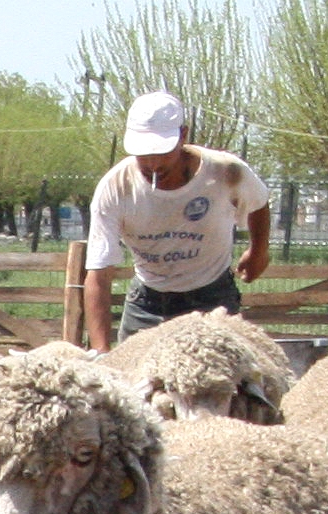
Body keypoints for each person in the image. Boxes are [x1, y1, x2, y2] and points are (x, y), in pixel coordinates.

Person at [81, 91, 273, 351]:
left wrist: (258, 251)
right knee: (130, 382)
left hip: (211, 299)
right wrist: (101, 352)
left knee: (222, 382)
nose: (152, 163)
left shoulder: (225, 171)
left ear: (183, 136)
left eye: (161, 151)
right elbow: (99, 275)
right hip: (146, 303)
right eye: (142, 153)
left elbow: (258, 203)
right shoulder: (116, 187)